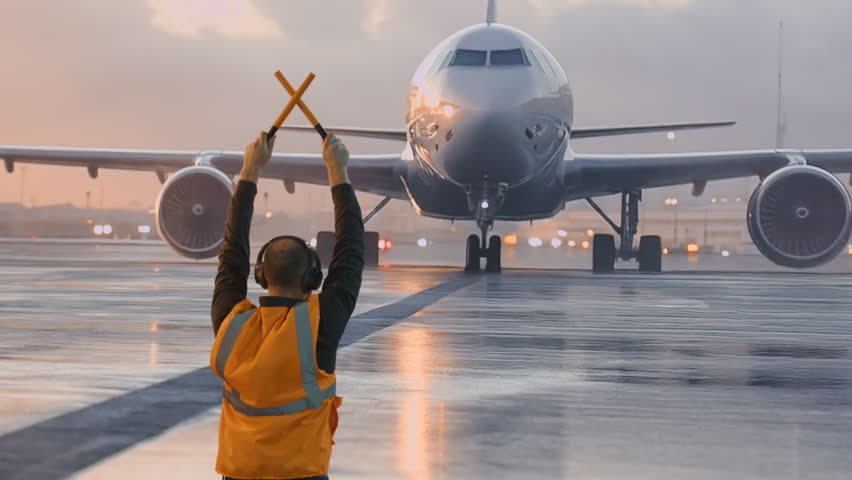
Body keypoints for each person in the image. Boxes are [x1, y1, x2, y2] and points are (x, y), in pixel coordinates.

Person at [209, 132, 364, 480]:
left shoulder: (232, 324)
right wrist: (337, 171)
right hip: (302, 474)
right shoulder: (319, 324)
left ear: (261, 275)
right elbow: (351, 250)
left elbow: (230, 255)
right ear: (312, 278)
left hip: (238, 474)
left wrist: (249, 171)